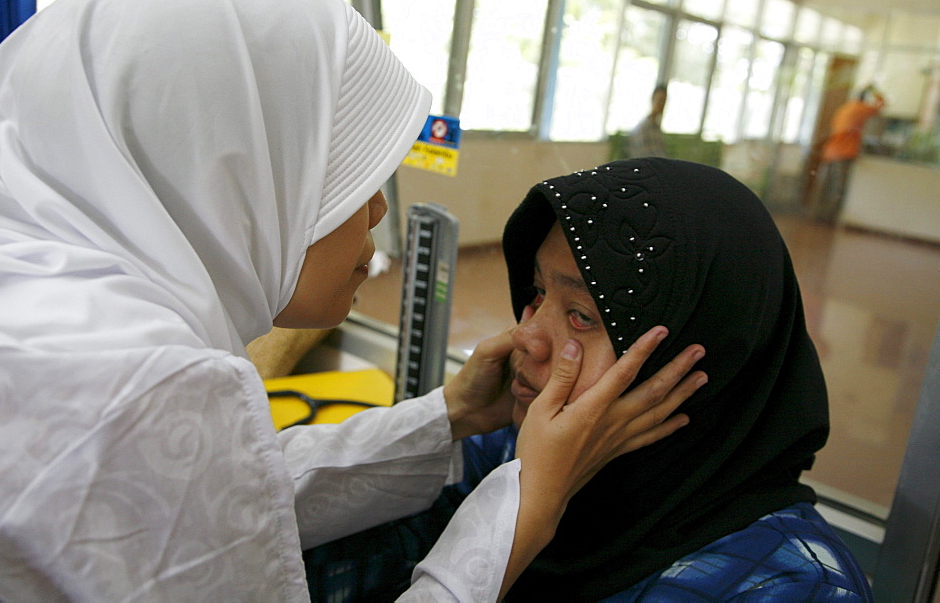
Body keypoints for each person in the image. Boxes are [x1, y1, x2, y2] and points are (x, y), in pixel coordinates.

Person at [0, 0, 706, 600]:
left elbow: (216, 501)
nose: (377, 210)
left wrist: (450, 416)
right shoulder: (139, 389)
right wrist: (526, 503)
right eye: (346, 178)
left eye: (581, 314)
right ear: (232, 169)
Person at [306, 157, 872, 601]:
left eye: (582, 316)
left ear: (700, 361)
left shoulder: (789, 587)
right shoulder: (506, 462)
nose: (525, 336)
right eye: (536, 293)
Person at [809, 85, 886, 222]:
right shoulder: (860, 108)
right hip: (843, 151)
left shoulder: (845, 107)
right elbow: (880, 105)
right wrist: (876, 92)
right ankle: (828, 217)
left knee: (825, 185)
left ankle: (816, 214)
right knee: (838, 186)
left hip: (831, 150)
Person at [626, 84, 668, 159]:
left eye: (663, 101)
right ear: (652, 100)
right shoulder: (643, 127)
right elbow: (641, 156)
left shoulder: (656, 127)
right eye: (659, 100)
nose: (661, 104)